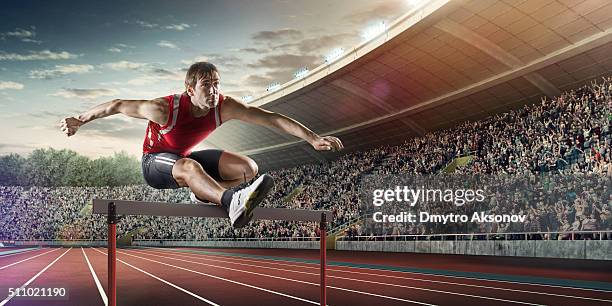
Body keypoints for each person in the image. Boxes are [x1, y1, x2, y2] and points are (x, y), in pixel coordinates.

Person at [60, 62, 343, 228]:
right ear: (190, 90)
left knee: (248, 168)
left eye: (217, 84)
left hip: (184, 161)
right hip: (155, 163)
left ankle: (203, 193)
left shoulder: (224, 106)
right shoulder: (163, 109)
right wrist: (80, 120)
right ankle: (231, 202)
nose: (214, 91)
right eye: (206, 85)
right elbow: (118, 105)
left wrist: (312, 138)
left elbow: (271, 119)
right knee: (188, 165)